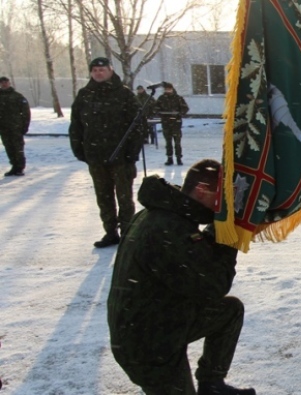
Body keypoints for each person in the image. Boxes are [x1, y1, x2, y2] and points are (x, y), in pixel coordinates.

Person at [107, 158, 255, 395]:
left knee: (229, 311)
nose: (222, 205)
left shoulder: (167, 214)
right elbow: (214, 285)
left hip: (162, 321)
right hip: (148, 345)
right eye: (221, 197)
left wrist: (219, 228)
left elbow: (194, 257)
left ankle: (212, 386)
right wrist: (230, 238)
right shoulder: (166, 227)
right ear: (201, 190)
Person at [69, 57, 145, 248]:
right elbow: (76, 126)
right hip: (95, 156)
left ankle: (127, 233)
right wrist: (79, 150)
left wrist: (131, 154)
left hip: (121, 158)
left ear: (111, 70)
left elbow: (138, 126)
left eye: (102, 69)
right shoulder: (85, 95)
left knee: (124, 198)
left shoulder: (124, 95)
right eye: (94, 70)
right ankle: (110, 232)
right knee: (103, 198)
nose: (98, 73)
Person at [0, 76, 30, 176]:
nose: (4, 84)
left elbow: (26, 112)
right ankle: (14, 166)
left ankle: (20, 168)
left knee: (18, 148)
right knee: (9, 147)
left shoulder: (17, 96)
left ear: (9, 83)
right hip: (3, 128)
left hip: (16, 127)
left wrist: (25, 126)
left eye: (6, 82)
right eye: (2, 82)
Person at [154, 81, 189, 165]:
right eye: (166, 89)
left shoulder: (178, 98)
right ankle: (169, 158)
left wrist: (179, 113)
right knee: (168, 142)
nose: (168, 90)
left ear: (172, 89)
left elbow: (185, 108)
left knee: (177, 142)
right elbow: (155, 108)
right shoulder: (161, 98)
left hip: (176, 123)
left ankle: (178, 158)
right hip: (166, 123)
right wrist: (160, 113)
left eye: (169, 89)